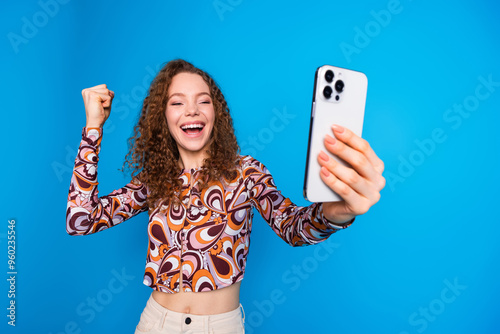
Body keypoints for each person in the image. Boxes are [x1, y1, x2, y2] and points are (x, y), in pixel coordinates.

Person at [66, 59, 385, 333]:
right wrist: (93, 127)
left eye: (202, 101)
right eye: (177, 102)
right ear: (162, 118)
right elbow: (81, 220)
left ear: (216, 113)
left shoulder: (246, 173)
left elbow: (293, 227)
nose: (191, 110)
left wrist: (337, 211)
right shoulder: (153, 180)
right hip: (156, 324)